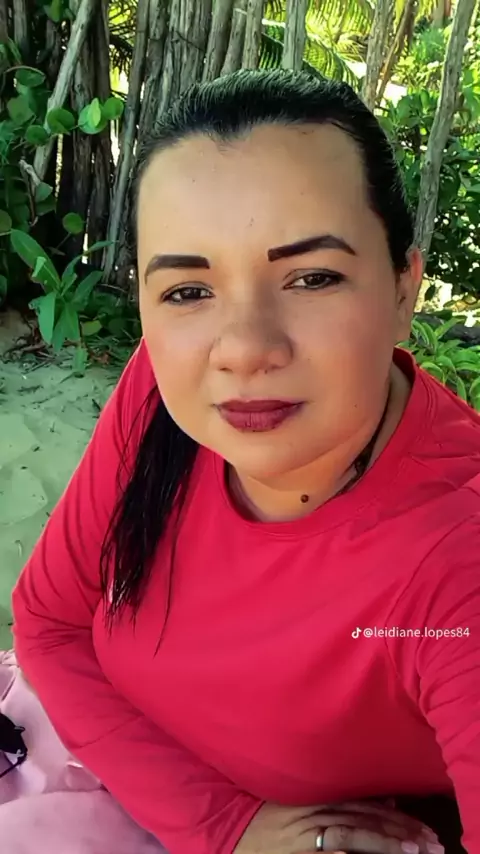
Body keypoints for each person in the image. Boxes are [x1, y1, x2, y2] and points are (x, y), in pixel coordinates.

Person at [9, 69, 480, 854]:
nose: (244, 349)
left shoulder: (456, 553)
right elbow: (50, 625)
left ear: (404, 289)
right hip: (82, 765)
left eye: (312, 277)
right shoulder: (162, 395)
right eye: (188, 291)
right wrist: (225, 824)